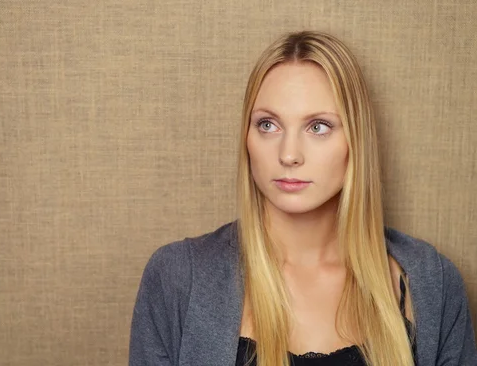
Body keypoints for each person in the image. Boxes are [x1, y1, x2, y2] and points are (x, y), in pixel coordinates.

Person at [128, 31, 477, 365]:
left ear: (355, 140)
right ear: (247, 137)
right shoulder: (176, 278)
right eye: (268, 125)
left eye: (318, 127)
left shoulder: (433, 282)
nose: (289, 154)